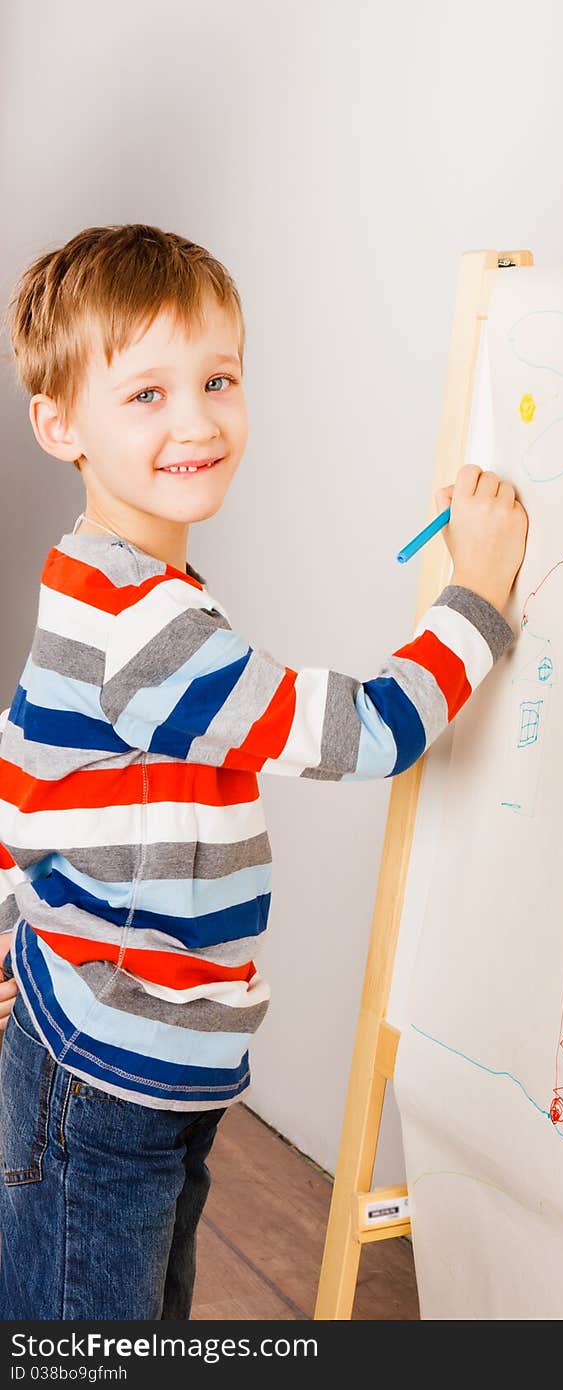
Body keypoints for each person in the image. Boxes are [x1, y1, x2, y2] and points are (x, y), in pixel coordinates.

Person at [0, 224, 528, 1320]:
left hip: (154, 1059)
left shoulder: (112, 584)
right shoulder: (142, 625)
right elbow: (366, 730)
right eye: (145, 393)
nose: (196, 419)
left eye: (218, 378)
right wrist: (474, 597)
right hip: (105, 1065)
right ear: (60, 425)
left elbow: (23, 766)